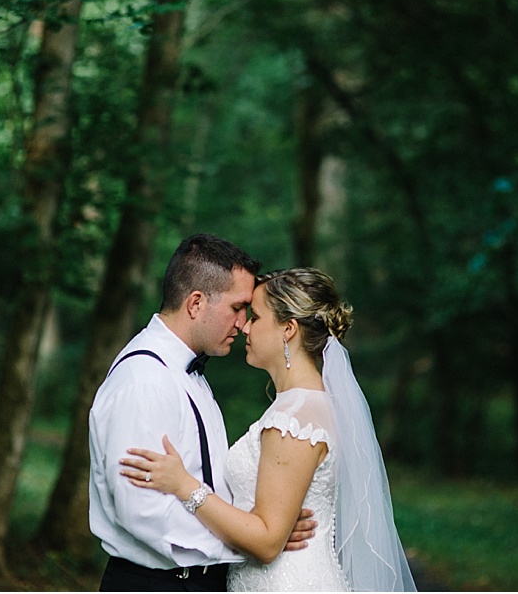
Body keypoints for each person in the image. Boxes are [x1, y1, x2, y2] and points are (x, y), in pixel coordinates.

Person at [120, 267, 417, 591]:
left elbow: (265, 542)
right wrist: (263, 522)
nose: (245, 326)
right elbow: (269, 521)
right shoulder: (307, 406)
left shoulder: (293, 421)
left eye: (256, 317)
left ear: (288, 329)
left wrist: (184, 485)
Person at [88, 235, 317, 592]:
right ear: (196, 303)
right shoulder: (145, 381)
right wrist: (254, 543)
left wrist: (265, 526)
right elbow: (141, 512)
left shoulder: (188, 375)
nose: (243, 324)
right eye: (238, 307)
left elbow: (210, 485)